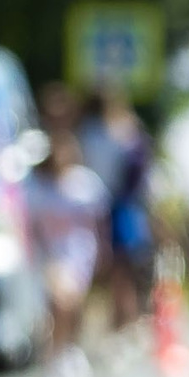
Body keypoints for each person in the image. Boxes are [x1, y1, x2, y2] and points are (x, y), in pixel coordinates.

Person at [25, 127, 109, 377]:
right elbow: (30, 227)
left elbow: (99, 223)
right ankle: (56, 356)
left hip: (80, 255)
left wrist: (104, 251)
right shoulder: (38, 187)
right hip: (51, 257)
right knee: (60, 305)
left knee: (74, 308)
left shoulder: (85, 185)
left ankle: (67, 351)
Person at [76, 86, 157, 340]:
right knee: (101, 268)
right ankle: (111, 325)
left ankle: (124, 323)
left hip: (118, 205)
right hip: (94, 204)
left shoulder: (126, 133)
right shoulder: (92, 132)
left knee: (122, 268)